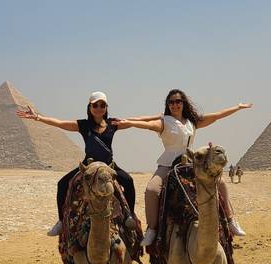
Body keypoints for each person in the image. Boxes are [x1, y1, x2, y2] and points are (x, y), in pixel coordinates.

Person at [117, 89, 253, 247]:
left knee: (220, 182)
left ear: (183, 103)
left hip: (190, 162)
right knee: (152, 190)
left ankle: (230, 221)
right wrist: (130, 123)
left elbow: (216, 116)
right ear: (168, 105)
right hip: (168, 163)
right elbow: (147, 124)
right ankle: (152, 230)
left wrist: (237, 107)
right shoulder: (164, 121)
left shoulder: (192, 121)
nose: (175, 105)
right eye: (171, 102)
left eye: (178, 101)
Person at [16, 92, 137, 236]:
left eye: (102, 105)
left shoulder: (113, 123)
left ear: (106, 107)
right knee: (62, 184)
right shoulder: (83, 125)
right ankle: (61, 221)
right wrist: (37, 117)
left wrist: (161, 117)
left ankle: (130, 215)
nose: (99, 108)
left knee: (128, 181)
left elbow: (135, 121)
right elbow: (60, 123)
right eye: (95, 105)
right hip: (89, 165)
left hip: (108, 165)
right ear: (89, 107)